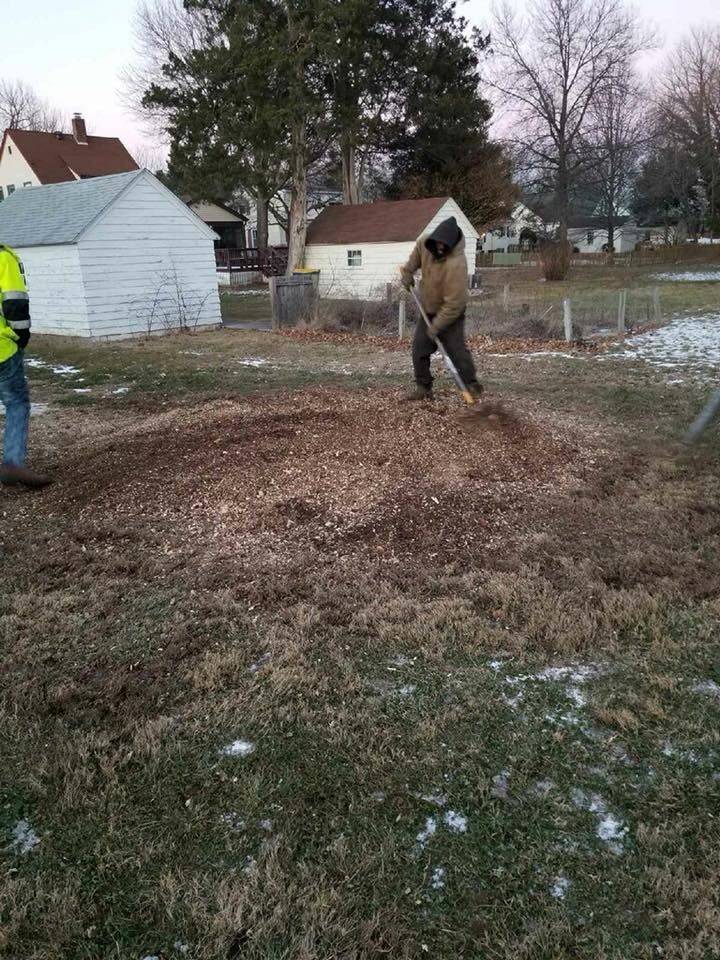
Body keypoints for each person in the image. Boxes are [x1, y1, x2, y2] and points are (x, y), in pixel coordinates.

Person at [400, 216, 482, 401]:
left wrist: (436, 327)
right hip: (428, 309)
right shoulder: (426, 243)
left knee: (456, 351)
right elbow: (415, 258)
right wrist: (407, 273)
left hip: (451, 315)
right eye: (436, 244)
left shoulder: (456, 264)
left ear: (450, 244)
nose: (438, 248)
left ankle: (471, 385)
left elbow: (454, 304)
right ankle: (424, 388)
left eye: (442, 246)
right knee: (419, 349)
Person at [0, 244, 51, 488]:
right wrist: (21, 338)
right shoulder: (4, 259)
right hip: (2, 349)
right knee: (16, 403)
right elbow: (15, 305)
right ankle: (12, 463)